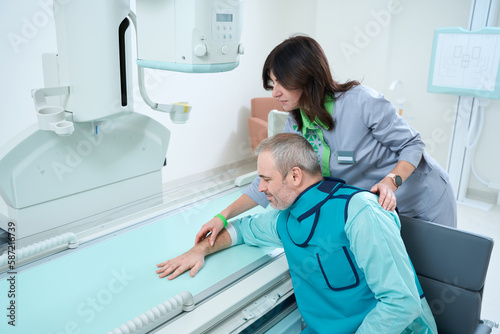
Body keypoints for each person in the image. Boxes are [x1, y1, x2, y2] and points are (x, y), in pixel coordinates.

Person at [157, 133, 438, 333]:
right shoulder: (286, 219)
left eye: (266, 180)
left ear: (294, 176)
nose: (262, 188)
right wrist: (200, 249)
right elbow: (242, 230)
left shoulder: (360, 211)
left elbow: (401, 303)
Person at [196, 35, 456, 247]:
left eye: (281, 83)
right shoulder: (295, 123)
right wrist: (223, 216)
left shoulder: (361, 102)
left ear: (304, 76)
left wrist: (390, 182)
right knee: (403, 272)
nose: (275, 92)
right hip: (381, 210)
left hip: (423, 197)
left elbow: (412, 145)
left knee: (438, 273)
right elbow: (266, 179)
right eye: (272, 83)